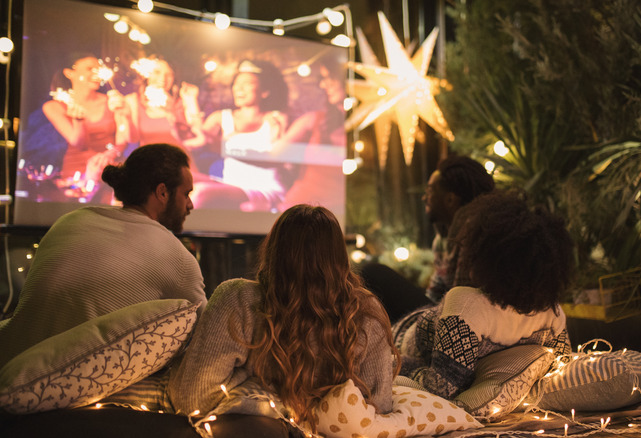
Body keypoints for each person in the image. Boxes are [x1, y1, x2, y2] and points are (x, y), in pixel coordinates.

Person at [168, 205, 398, 425]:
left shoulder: (238, 299)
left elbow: (191, 400)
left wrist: (252, 381)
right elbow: (379, 411)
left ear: (273, 249)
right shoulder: (366, 312)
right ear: (339, 257)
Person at [0, 143, 207, 368]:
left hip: (7, 359)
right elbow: (210, 336)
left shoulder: (70, 220)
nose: (190, 204)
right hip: (69, 384)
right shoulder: (175, 256)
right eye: (186, 194)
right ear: (162, 192)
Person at [393, 190, 575, 400]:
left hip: (400, 339)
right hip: (412, 328)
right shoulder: (552, 313)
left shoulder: (469, 306)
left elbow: (440, 389)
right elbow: (564, 367)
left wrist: (400, 365)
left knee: (374, 273)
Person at [361, 155, 495, 321]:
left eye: (430, 191)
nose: (425, 198)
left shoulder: (473, 233)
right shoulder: (444, 235)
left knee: (373, 274)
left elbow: (464, 301)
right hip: (439, 308)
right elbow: (435, 291)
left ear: (450, 199)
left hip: (457, 317)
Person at [186, 59, 316, 212]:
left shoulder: (277, 118)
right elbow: (197, 138)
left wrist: (276, 136)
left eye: (247, 83)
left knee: (201, 194)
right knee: (183, 179)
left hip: (265, 189)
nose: (239, 88)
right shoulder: (220, 117)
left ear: (264, 91)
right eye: (236, 84)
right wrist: (190, 100)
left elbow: (283, 160)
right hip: (230, 185)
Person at [42, 53, 130, 201]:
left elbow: (123, 139)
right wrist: (79, 121)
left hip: (110, 168)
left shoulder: (112, 100)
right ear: (70, 73)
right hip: (76, 172)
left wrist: (109, 155)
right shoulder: (54, 106)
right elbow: (80, 144)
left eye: (98, 68)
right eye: (90, 68)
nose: (96, 73)